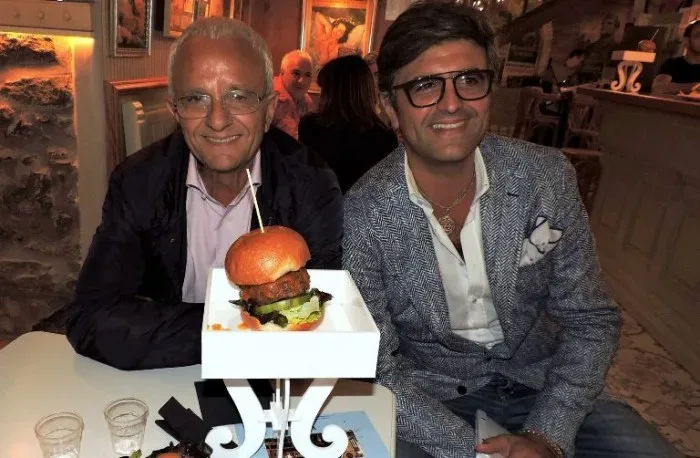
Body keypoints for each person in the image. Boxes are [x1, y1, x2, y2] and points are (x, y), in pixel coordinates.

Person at [342, 2, 682, 458]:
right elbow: (378, 366)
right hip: (432, 401)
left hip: (546, 384)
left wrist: (548, 434)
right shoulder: (364, 213)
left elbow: (591, 321)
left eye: (469, 80)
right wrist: (473, 451)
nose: (452, 103)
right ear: (389, 107)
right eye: (424, 86)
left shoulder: (545, 177)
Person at [64, 17, 343, 370]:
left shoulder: (312, 185)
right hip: (165, 374)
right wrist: (231, 330)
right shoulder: (138, 181)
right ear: (175, 111)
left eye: (238, 96)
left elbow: (321, 321)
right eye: (196, 99)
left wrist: (167, 327)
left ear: (269, 109)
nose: (217, 120)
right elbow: (90, 318)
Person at [298, 55, 397, 193]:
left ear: (332, 92)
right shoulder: (384, 137)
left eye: (324, 90)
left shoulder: (310, 127)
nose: (321, 96)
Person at [272, 50, 314, 140]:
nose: (302, 81)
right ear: (282, 73)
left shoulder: (307, 101)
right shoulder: (270, 100)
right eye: (296, 73)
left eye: (307, 75)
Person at [653, 19, 700, 94]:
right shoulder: (672, 64)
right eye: (698, 35)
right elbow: (658, 88)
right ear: (686, 40)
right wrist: (695, 87)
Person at [579, 13, 622, 83]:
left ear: (616, 27)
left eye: (609, 23)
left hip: (602, 83)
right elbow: (582, 67)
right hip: (583, 82)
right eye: (603, 23)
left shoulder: (617, 48)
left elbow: (611, 73)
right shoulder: (590, 47)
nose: (605, 26)